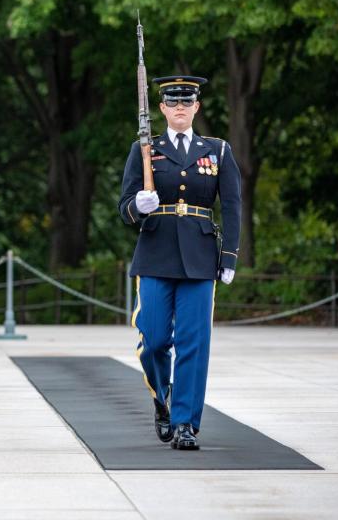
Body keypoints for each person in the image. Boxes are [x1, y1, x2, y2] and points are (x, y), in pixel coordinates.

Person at [118, 75, 241, 450]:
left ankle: (186, 422)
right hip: (156, 253)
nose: (180, 108)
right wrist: (138, 206)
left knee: (194, 343)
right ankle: (163, 395)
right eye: (173, 103)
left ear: (197, 107)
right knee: (153, 340)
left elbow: (232, 205)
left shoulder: (216, 150)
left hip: (201, 257)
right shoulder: (145, 150)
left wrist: (230, 255)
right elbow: (124, 207)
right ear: (162, 109)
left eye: (186, 102)